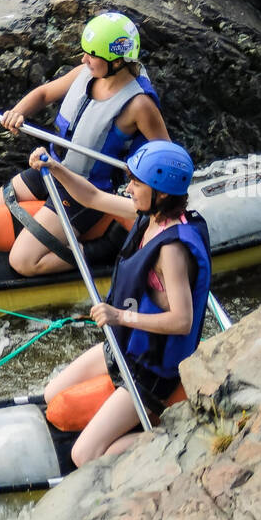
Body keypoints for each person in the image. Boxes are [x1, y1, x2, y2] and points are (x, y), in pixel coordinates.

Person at [0, 11, 171, 275]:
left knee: (23, 262)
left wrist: (144, 190)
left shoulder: (139, 105)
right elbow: (43, 94)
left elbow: (165, 156)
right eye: (85, 51)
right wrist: (18, 112)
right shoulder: (84, 73)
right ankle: (44, 230)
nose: (84, 58)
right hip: (51, 167)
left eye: (92, 54)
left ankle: (102, 248)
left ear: (118, 60)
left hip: (86, 191)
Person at [38, 140, 212, 467]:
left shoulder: (172, 251)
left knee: (84, 455)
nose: (128, 187)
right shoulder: (148, 215)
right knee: (50, 395)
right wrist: (56, 169)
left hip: (152, 371)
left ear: (160, 192)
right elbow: (91, 197)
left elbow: (181, 321)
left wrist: (120, 315)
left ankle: (175, 437)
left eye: (136, 182)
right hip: (126, 348)